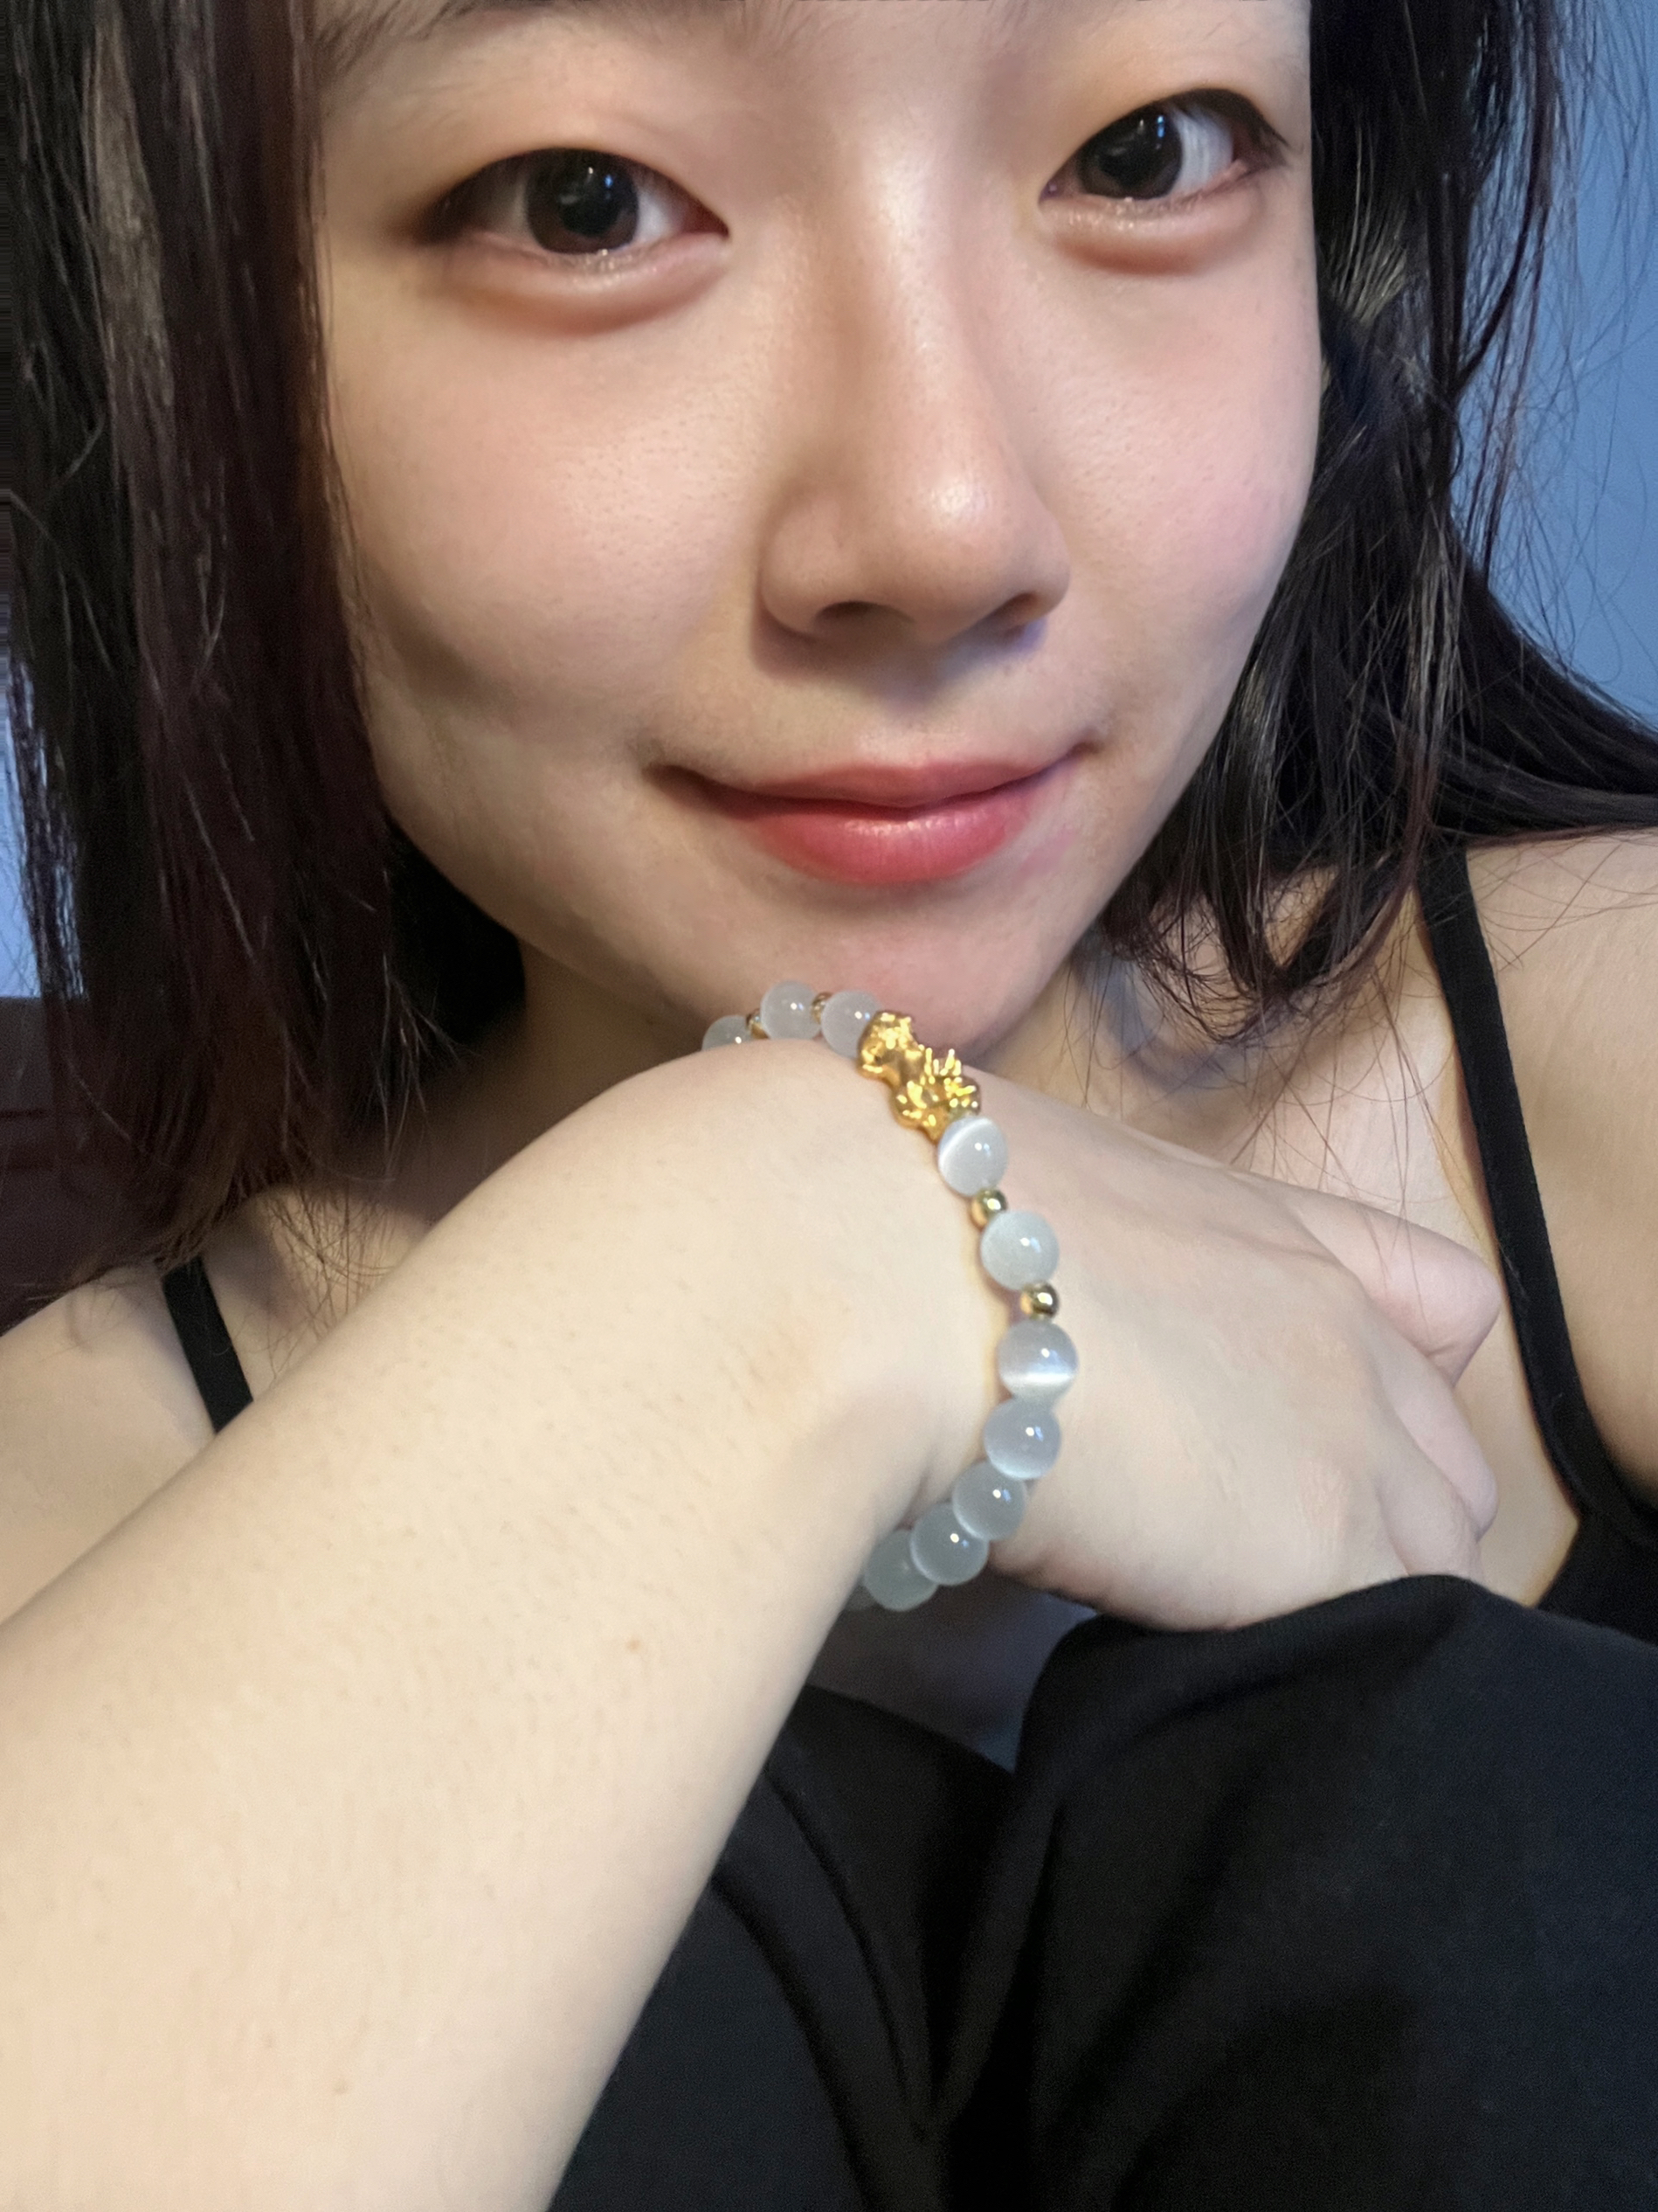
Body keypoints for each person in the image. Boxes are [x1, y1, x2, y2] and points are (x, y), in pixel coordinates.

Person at [4, 0, 1656, 2205]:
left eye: (1147, 154)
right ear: (167, 306)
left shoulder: (1603, 1041)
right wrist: (783, 1250)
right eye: (583, 205)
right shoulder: (64, 1530)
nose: (944, 522)